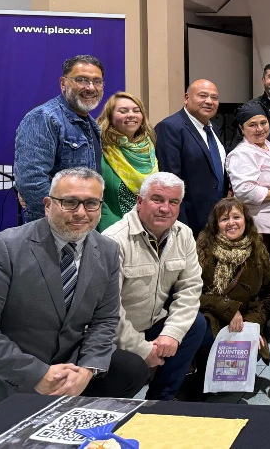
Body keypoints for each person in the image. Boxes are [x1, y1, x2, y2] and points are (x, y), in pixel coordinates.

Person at [0, 168, 148, 407]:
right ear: (48, 204)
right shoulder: (2, 248)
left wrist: (87, 369)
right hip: (14, 367)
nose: (81, 212)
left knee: (131, 369)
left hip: (71, 363)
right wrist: (36, 374)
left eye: (91, 203)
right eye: (69, 202)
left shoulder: (108, 250)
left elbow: (105, 320)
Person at [103, 172, 208, 401]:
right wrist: (143, 350)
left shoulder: (184, 234)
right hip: (114, 334)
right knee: (134, 368)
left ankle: (163, 398)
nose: (165, 208)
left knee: (195, 324)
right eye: (157, 199)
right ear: (140, 202)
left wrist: (171, 333)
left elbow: (190, 289)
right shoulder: (113, 241)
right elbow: (109, 311)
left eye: (173, 202)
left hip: (152, 323)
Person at [15, 55, 105, 222]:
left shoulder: (92, 124)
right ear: (63, 83)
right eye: (82, 80)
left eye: (97, 81)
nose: (91, 87)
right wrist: (60, 220)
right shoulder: (44, 117)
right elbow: (32, 181)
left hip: (82, 224)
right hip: (55, 229)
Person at [196, 198, 270, 368]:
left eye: (236, 217)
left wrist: (254, 323)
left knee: (252, 345)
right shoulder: (203, 248)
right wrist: (229, 309)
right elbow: (192, 293)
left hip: (246, 319)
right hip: (212, 316)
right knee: (201, 329)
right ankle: (203, 369)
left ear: (245, 220)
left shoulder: (258, 249)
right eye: (224, 219)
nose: (231, 223)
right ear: (216, 224)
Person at [225, 105, 270, 276]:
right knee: (260, 274)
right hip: (258, 227)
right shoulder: (241, 153)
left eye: (263, 123)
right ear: (241, 129)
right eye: (252, 125)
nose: (259, 129)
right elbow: (244, 191)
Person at [155, 79, 226, 238]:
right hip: (187, 222)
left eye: (214, 98)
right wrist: (180, 224)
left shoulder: (213, 128)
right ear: (186, 98)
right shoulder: (170, 127)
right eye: (203, 96)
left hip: (216, 221)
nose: (209, 101)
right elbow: (170, 180)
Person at [95, 92, 158, 231]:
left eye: (136, 111)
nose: (131, 115)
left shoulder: (150, 147)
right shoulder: (100, 147)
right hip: (112, 229)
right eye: (123, 111)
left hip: (147, 228)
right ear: (110, 117)